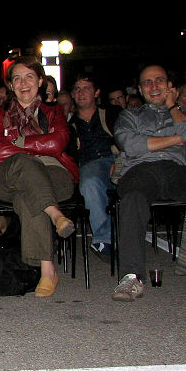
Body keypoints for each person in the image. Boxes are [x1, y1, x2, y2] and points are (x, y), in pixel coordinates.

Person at [0, 56, 79, 298]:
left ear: (40, 81)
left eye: (29, 77)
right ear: (10, 85)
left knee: (28, 195)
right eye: (17, 78)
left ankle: (47, 271)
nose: (23, 83)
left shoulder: (54, 112)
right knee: (25, 163)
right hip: (4, 176)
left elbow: (59, 142)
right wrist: (38, 146)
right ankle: (55, 215)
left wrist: (21, 142)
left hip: (53, 174)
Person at [110, 64, 186, 300]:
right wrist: (177, 139)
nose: (154, 86)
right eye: (147, 82)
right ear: (141, 89)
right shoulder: (129, 116)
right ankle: (131, 277)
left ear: (170, 86)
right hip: (141, 171)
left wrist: (173, 107)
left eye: (159, 81)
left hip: (177, 170)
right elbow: (130, 144)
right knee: (132, 197)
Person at [68, 76, 120, 259]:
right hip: (89, 165)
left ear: (96, 92)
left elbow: (128, 139)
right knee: (89, 181)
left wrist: (120, 161)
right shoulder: (70, 126)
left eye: (86, 88)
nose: (81, 93)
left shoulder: (112, 113)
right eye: (77, 89)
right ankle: (104, 239)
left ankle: (128, 237)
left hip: (117, 158)